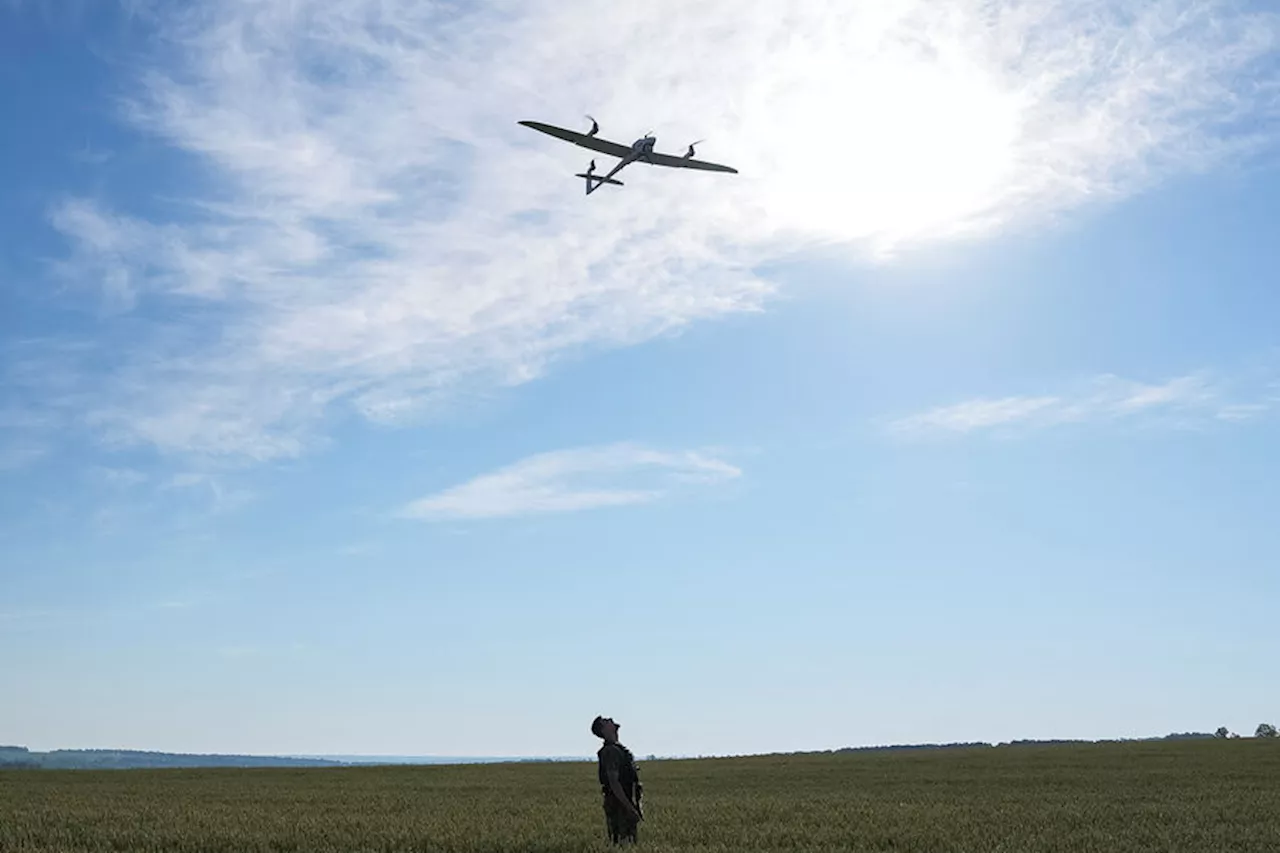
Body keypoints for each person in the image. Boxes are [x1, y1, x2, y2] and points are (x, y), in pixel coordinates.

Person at [592, 715, 643, 844]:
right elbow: (614, 783)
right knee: (623, 844)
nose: (610, 719)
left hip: (623, 804)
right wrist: (629, 807)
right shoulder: (611, 752)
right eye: (606, 721)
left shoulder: (617, 749)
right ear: (603, 730)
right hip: (619, 807)